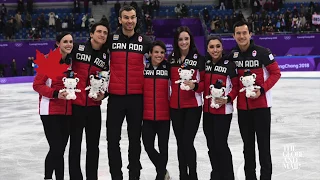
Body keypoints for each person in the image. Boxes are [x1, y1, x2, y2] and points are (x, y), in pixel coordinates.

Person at [230, 21, 281, 180]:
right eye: (238, 33)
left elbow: (276, 73)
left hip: (262, 108)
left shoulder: (262, 53)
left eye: (244, 33)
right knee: (248, 148)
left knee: (263, 147)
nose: (241, 36)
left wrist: (262, 89)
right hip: (243, 110)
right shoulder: (232, 55)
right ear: (234, 36)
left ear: (250, 34)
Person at [107, 5, 151, 180]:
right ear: (120, 19)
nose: (129, 21)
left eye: (132, 17)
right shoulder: (111, 39)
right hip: (115, 98)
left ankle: (134, 175)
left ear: (136, 19)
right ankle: (116, 175)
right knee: (113, 140)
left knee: (134, 140)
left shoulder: (145, 41)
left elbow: (158, 60)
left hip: (136, 98)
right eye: (126, 17)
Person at [68, 22, 110, 180]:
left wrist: (103, 95)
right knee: (75, 146)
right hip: (76, 106)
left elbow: (107, 82)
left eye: (105, 33)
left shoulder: (106, 57)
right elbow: (62, 59)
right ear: (91, 34)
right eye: (99, 31)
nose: (102, 35)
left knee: (93, 147)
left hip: (93, 108)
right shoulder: (77, 48)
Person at [33, 32, 74, 180]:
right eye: (65, 41)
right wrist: (55, 93)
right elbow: (37, 85)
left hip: (67, 111)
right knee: (56, 148)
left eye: (70, 41)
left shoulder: (70, 62)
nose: (69, 44)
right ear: (58, 43)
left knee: (59, 150)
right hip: (49, 111)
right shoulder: (49, 61)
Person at [167, 26, 205, 180]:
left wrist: (194, 86)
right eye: (180, 39)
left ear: (191, 40)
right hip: (175, 107)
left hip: (193, 107)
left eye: (186, 39)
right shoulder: (171, 59)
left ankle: (193, 175)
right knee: (179, 143)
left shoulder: (199, 59)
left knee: (187, 141)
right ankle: (183, 174)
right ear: (176, 41)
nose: (183, 42)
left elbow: (204, 84)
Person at [203, 36, 239, 180]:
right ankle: (216, 174)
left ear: (222, 48)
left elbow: (236, 86)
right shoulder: (205, 64)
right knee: (211, 146)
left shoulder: (229, 64)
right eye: (212, 47)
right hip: (207, 111)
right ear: (207, 49)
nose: (215, 50)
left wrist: (228, 99)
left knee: (221, 145)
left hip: (224, 112)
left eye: (218, 46)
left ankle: (228, 176)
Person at [142, 40, 171, 180]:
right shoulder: (144, 67)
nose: (159, 55)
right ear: (150, 53)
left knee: (163, 148)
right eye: (156, 52)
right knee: (148, 146)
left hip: (164, 116)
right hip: (147, 116)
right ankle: (163, 170)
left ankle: (160, 176)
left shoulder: (168, 68)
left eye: (162, 52)